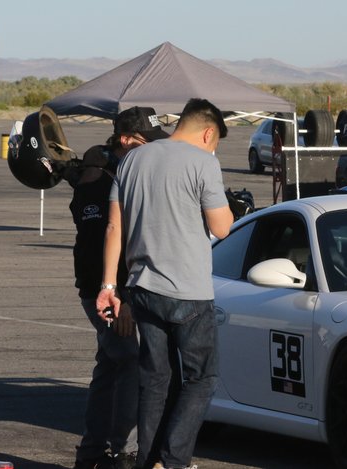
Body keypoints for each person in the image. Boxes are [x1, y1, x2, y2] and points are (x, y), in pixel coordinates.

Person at [97, 98, 233, 469]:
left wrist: (109, 286)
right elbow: (221, 227)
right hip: (188, 293)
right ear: (208, 132)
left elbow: (114, 227)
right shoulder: (204, 162)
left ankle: (148, 460)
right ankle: (173, 461)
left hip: (142, 290)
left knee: (155, 380)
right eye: (215, 141)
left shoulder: (133, 160)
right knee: (201, 379)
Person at [71, 106, 169, 469]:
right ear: (126, 140)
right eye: (147, 142)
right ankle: (122, 452)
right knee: (128, 359)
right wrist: (120, 297)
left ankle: (92, 453)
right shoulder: (98, 179)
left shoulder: (124, 172)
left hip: (119, 288)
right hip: (105, 290)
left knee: (110, 364)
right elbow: (107, 242)